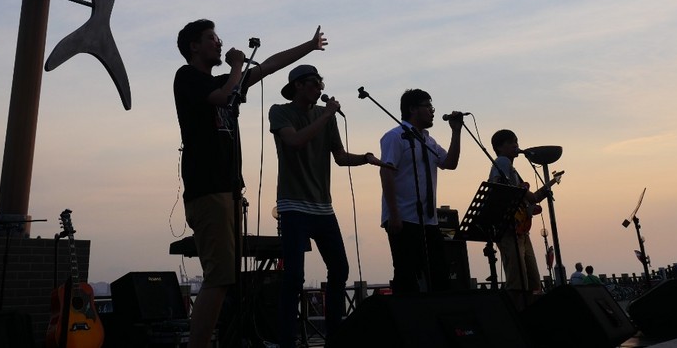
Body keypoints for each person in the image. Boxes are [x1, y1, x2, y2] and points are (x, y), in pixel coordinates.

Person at [173, 20, 327, 348]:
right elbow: (221, 96)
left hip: (227, 190)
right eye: (211, 38)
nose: (219, 42)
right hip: (208, 188)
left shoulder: (224, 81)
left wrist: (309, 46)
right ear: (194, 47)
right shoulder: (187, 77)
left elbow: (268, 66)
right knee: (219, 277)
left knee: (224, 277)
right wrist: (236, 66)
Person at [270, 64, 391, 348]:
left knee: (339, 269)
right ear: (298, 85)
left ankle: (335, 337)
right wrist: (326, 115)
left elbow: (339, 156)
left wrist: (365, 158)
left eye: (321, 84)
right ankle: (287, 340)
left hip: (323, 207)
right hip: (293, 205)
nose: (319, 89)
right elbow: (295, 141)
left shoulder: (326, 117)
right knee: (294, 276)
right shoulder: (280, 111)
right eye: (314, 84)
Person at [379, 88, 462, 294]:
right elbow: (386, 172)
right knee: (407, 275)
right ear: (412, 109)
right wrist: (394, 214)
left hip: (428, 221)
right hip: (404, 218)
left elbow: (450, 163)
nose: (432, 111)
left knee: (439, 275)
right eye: (428, 106)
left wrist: (456, 132)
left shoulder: (428, 140)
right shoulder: (395, 136)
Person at [489, 129, 552, 309]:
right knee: (519, 281)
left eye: (516, 141)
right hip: (509, 229)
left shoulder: (512, 170)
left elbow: (531, 198)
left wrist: (547, 186)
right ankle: (518, 315)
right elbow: (497, 186)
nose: (516, 145)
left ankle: (524, 313)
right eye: (511, 142)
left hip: (520, 230)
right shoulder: (502, 161)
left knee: (530, 280)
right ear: (499, 147)